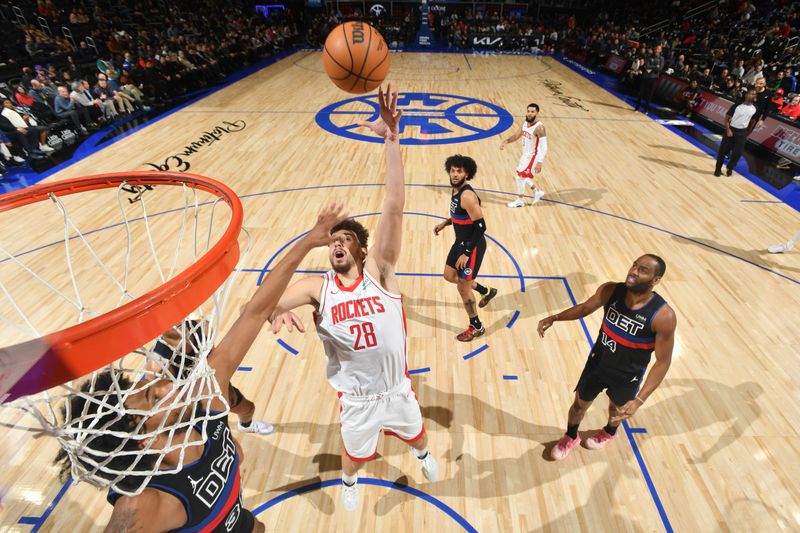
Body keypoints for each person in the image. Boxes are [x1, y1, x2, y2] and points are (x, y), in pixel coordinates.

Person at [53, 202, 350, 532]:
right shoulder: (143, 503)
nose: (165, 384)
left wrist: (308, 241)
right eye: (154, 397)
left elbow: (254, 311)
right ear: (142, 439)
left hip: (238, 519)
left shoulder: (206, 396)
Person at [269, 86, 438, 512]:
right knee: (353, 454)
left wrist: (392, 138)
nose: (337, 245)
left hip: (397, 389)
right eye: (333, 241)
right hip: (358, 400)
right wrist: (273, 310)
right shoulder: (316, 287)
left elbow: (395, 205)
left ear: (361, 251)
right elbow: (259, 305)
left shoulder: (380, 271)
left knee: (417, 433)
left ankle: (422, 455)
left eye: (346, 240)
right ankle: (348, 482)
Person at [537, 255, 677, 460]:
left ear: (656, 280)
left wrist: (639, 400)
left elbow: (663, 362)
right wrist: (555, 317)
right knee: (578, 405)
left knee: (616, 409)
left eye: (643, 270)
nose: (634, 271)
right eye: (634, 265)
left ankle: (609, 432)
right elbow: (585, 308)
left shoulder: (663, 316)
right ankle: (570, 436)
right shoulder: (611, 290)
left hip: (628, 374)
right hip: (598, 363)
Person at [152, 320, 275, 435]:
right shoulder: (159, 363)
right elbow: (167, 402)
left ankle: (246, 426)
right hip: (188, 404)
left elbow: (215, 362)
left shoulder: (203, 328)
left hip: (211, 387)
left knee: (248, 409)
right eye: (166, 320)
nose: (174, 321)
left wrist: (228, 387)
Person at [432, 154, 497, 341]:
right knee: (449, 275)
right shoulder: (455, 190)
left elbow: (481, 226)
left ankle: (476, 326)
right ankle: (485, 290)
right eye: (452, 170)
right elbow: (461, 216)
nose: (454, 174)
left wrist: (467, 253)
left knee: (463, 287)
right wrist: (446, 223)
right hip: (460, 241)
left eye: (459, 171)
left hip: (472, 245)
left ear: (466, 173)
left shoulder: (468, 196)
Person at [500, 103, 547, 208]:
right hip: (525, 154)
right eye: (528, 111)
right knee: (521, 174)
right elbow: (517, 135)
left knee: (519, 177)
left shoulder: (540, 128)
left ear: (537, 113)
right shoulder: (525, 123)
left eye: (532, 112)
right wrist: (506, 141)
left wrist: (540, 162)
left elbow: (544, 147)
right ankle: (537, 191)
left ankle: (520, 200)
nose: (530, 114)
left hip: (533, 156)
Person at [714, 88, 758, 177]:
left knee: (737, 154)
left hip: (742, 133)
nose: (751, 95)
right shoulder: (737, 105)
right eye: (750, 93)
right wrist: (728, 130)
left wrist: (747, 133)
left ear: (755, 97)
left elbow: (753, 122)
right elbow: (727, 118)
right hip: (731, 130)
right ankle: (717, 169)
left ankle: (730, 167)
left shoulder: (755, 108)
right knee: (723, 152)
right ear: (746, 95)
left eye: (753, 94)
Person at [634, 44, 665, 113]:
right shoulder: (649, 56)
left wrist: (654, 67)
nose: (657, 50)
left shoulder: (661, 59)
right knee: (641, 93)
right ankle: (636, 107)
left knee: (649, 95)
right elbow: (647, 66)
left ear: (660, 50)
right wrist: (655, 67)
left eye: (658, 49)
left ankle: (645, 109)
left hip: (654, 78)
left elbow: (660, 69)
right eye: (656, 49)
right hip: (646, 77)